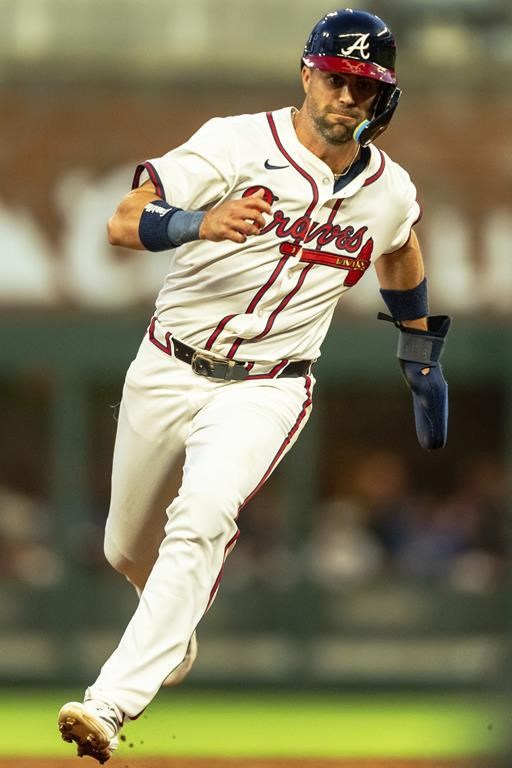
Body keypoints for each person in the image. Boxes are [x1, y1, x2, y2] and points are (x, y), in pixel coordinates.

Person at [58, 8, 450, 763]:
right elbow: (121, 221)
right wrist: (198, 223)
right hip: (169, 364)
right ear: (307, 73)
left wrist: (417, 344)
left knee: (203, 514)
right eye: (336, 79)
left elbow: (399, 248)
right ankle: (169, 637)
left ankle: (109, 704)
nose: (347, 98)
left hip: (268, 386)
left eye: (364, 87)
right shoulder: (234, 141)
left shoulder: (388, 190)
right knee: (123, 549)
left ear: (383, 97)